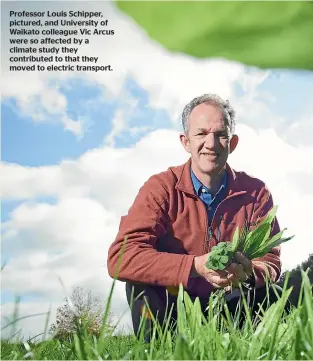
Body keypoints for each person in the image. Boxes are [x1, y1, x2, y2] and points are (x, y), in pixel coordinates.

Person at [107, 93, 288, 341]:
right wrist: (195, 266)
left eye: (220, 135)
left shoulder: (255, 192)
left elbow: (271, 261)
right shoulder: (160, 188)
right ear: (185, 142)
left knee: (281, 292)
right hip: (174, 303)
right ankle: (155, 351)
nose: (211, 144)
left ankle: (249, 347)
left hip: (232, 302)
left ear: (232, 143)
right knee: (139, 286)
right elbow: (122, 257)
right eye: (201, 134)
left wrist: (251, 274)